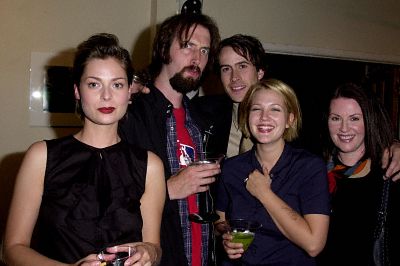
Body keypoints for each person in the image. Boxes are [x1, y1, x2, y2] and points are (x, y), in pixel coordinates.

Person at [4, 33, 165, 266]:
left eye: (117, 84)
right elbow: (12, 249)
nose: (107, 95)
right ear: (77, 91)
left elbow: (154, 246)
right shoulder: (41, 156)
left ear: (130, 91)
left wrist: (150, 251)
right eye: (94, 84)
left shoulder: (150, 165)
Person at [119, 14, 221, 266]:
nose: (197, 58)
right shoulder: (129, 114)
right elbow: (105, 200)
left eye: (205, 50)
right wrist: (167, 190)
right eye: (188, 46)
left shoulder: (203, 121)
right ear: (164, 48)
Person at [215, 79, 330, 265]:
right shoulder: (231, 168)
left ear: (289, 119)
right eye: (256, 109)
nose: (264, 117)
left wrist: (264, 193)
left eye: (275, 109)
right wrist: (226, 235)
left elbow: (314, 244)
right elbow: (219, 219)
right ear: (246, 116)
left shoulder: (309, 167)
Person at [317, 83, 400, 265]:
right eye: (336, 118)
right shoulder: (314, 172)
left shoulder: (390, 173)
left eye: (354, 119)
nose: (344, 128)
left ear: (368, 121)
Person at [192, 34, 266, 158]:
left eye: (242, 66)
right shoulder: (201, 111)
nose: (234, 77)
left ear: (259, 72)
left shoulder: (282, 118)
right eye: (226, 69)